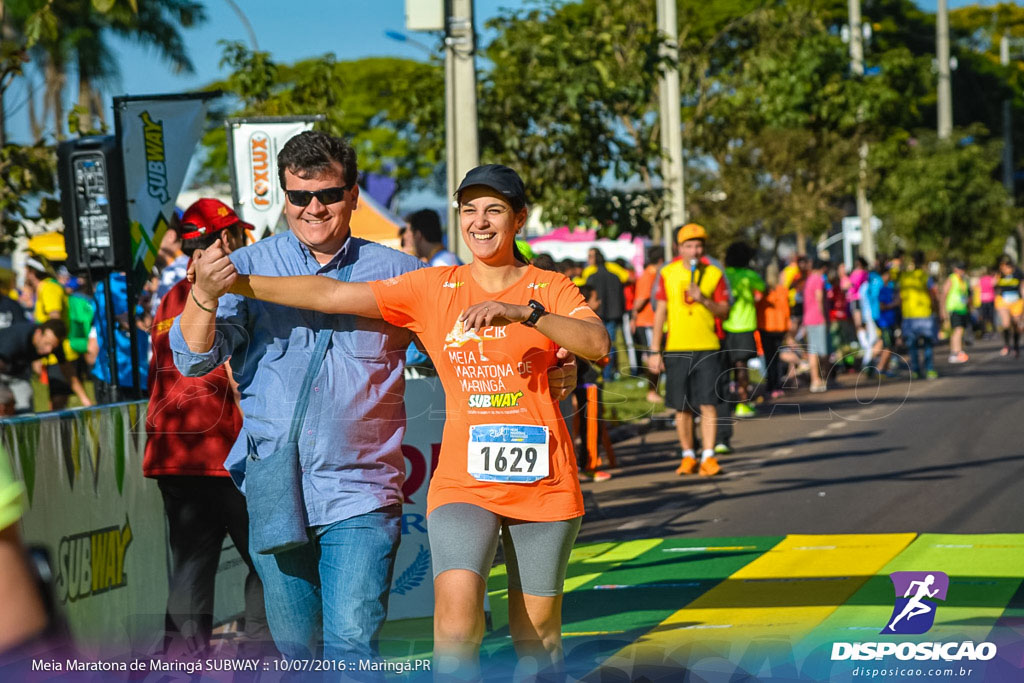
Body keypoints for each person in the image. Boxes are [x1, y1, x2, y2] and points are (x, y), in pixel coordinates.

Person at [174, 134, 579, 666]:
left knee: (351, 644)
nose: (313, 208)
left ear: (354, 194)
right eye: (299, 197)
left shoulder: (401, 271)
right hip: (275, 484)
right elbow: (193, 360)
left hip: (363, 489)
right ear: (283, 196)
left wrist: (552, 360)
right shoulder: (242, 266)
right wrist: (205, 295)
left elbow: (467, 340)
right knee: (297, 650)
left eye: (328, 194)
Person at [145, 198, 271, 657]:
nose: (240, 243)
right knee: (267, 560)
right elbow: (241, 381)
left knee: (191, 569)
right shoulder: (233, 293)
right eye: (235, 234)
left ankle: (181, 664)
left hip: (175, 456)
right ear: (222, 240)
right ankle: (266, 661)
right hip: (230, 455)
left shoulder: (170, 298)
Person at [648, 223, 730, 477]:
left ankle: (708, 455)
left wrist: (703, 298)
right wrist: (654, 350)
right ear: (679, 248)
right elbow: (660, 311)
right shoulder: (668, 273)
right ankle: (687, 455)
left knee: (708, 403)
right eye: (689, 246)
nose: (694, 251)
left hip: (707, 346)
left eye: (698, 246)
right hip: (677, 347)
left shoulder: (714, 273)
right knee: (681, 406)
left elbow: (724, 310)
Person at [22, 258, 92, 410]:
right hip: (53, 349)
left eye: (26, 270)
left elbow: (55, 318)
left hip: (57, 350)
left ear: (33, 272)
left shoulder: (48, 287)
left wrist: (43, 348)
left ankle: (59, 431)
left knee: (58, 400)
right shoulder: (46, 287)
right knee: (56, 398)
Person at [722, 241, 765, 416]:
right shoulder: (749, 275)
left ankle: (726, 402)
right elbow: (761, 293)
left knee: (726, 366)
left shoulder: (724, 274)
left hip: (725, 326)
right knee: (742, 367)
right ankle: (742, 402)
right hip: (745, 325)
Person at [585, 248, 626, 382]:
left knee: (598, 346)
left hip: (598, 314)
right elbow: (621, 297)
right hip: (613, 314)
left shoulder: (592, 277)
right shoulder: (615, 276)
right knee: (610, 345)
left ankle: (601, 373)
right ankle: (608, 374)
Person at [897, 251, 939, 379]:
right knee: (927, 344)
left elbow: (899, 296)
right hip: (924, 314)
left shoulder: (904, 277)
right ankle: (929, 369)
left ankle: (915, 370)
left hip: (909, 315)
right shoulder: (925, 276)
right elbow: (933, 293)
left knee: (912, 345)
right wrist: (936, 308)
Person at [633, 246, 665, 403]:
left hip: (651, 322)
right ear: (660, 260)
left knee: (658, 359)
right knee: (653, 359)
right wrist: (633, 316)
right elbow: (640, 300)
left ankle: (656, 390)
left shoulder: (653, 274)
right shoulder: (649, 275)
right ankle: (652, 392)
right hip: (647, 322)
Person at [803, 259, 829, 393]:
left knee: (813, 351)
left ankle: (815, 379)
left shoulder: (809, 279)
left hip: (808, 319)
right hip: (817, 319)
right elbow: (819, 298)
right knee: (820, 352)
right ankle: (819, 378)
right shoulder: (819, 279)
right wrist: (823, 317)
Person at [994, 255, 1024, 358]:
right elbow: (993, 285)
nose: (1004, 268)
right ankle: (1006, 345)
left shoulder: (1018, 273)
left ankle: (1016, 346)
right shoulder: (1000, 274)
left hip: (1016, 301)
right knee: (1006, 323)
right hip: (1003, 300)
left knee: (1016, 324)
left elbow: (1022, 287)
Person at [941, 261, 970, 364]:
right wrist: (943, 310)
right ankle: (955, 352)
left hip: (962, 309)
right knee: (957, 330)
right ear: (955, 269)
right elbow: (944, 294)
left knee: (960, 330)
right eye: (960, 269)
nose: (962, 271)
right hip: (954, 309)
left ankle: (958, 351)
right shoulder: (951, 279)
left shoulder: (963, 280)